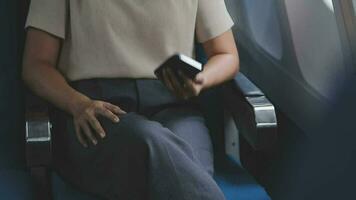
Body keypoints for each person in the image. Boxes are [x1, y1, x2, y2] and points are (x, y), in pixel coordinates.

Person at [22, 0, 239, 199]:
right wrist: (77, 104)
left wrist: (201, 80)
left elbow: (226, 54)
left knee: (188, 166)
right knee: (154, 145)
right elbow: (36, 65)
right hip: (96, 110)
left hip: (175, 106)